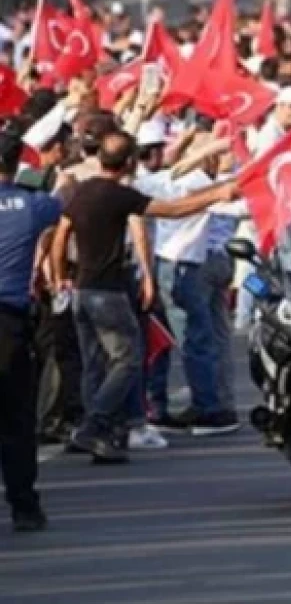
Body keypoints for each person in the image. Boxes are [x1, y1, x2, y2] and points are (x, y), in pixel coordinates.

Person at [50, 129, 238, 463]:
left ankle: (101, 434)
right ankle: (94, 425)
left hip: (82, 290)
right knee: (129, 360)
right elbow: (174, 210)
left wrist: (60, 275)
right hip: (108, 292)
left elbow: (61, 233)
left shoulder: (83, 191)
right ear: (128, 162)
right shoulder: (120, 195)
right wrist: (216, 195)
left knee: (95, 363)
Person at [0, 132, 62, 532]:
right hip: (9, 322)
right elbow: (62, 201)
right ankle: (24, 506)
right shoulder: (35, 204)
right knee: (16, 419)